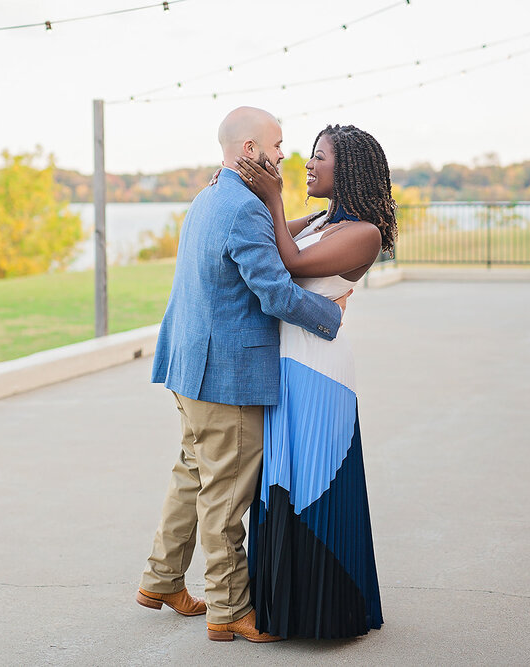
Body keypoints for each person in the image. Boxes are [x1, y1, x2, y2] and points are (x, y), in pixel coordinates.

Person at [136, 107, 352, 643]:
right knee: (226, 493)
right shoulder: (245, 210)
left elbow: (258, 243)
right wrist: (332, 315)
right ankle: (229, 610)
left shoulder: (213, 197)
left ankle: (161, 579)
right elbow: (275, 291)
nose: (285, 155)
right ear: (250, 150)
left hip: (189, 367)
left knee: (192, 474)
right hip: (226, 376)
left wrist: (313, 223)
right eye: (277, 145)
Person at [234, 124, 395, 639]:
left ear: (345, 168)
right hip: (286, 360)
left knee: (314, 481)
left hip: (320, 369)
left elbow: (291, 261)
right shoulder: (325, 218)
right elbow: (269, 233)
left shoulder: (363, 232)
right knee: (281, 478)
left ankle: (328, 611)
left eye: (319, 156)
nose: (307, 163)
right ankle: (283, 607)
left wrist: (275, 197)